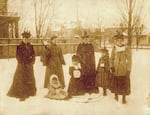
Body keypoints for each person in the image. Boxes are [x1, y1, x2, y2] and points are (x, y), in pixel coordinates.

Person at [7, 30, 36, 101]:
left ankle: (30, 92)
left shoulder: (31, 46)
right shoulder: (19, 46)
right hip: (22, 66)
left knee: (29, 78)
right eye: (25, 38)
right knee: (21, 79)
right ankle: (21, 94)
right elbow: (18, 56)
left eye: (28, 38)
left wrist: (32, 61)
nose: (26, 40)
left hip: (29, 66)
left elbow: (33, 55)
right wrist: (23, 62)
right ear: (22, 38)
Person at [110, 34, 132, 104]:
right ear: (116, 41)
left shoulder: (126, 48)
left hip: (123, 69)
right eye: (118, 41)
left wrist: (128, 69)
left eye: (121, 41)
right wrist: (111, 66)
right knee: (116, 82)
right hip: (116, 69)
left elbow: (129, 60)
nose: (119, 42)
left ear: (123, 41)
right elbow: (111, 58)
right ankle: (116, 95)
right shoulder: (114, 48)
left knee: (123, 84)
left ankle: (123, 98)